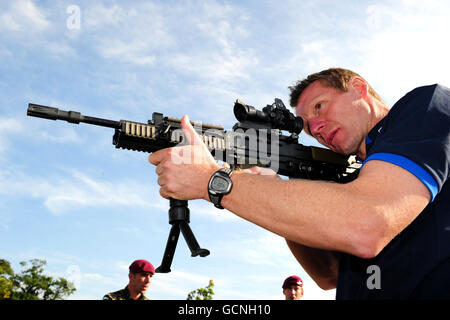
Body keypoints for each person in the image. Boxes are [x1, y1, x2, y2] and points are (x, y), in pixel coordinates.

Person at [148, 68, 450, 299]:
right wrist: (274, 191)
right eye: (306, 125)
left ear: (359, 88)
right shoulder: (354, 177)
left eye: (320, 106)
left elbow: (366, 225)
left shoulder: (424, 107)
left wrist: (214, 182)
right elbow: (327, 274)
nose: (315, 127)